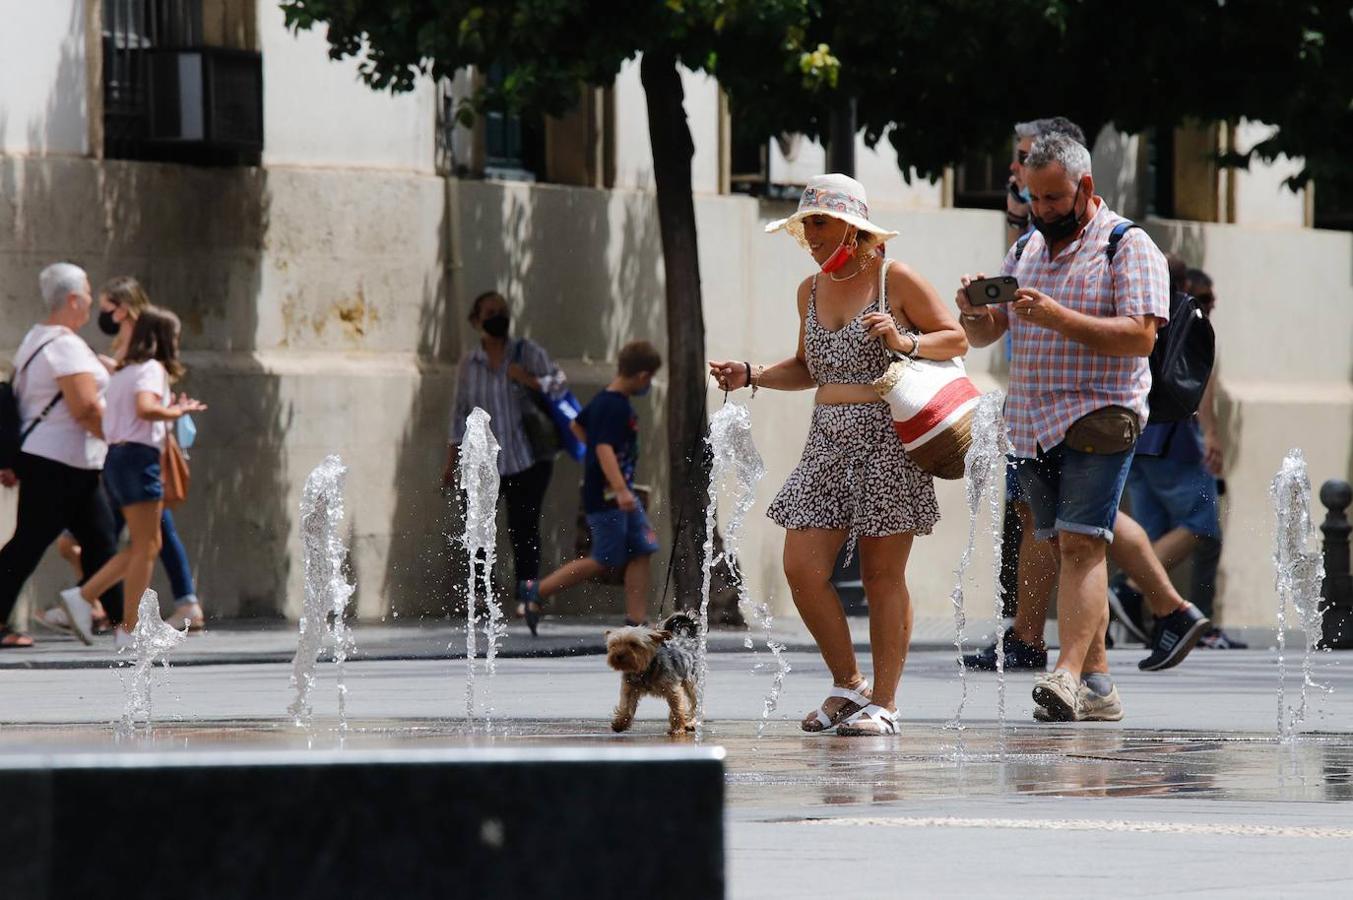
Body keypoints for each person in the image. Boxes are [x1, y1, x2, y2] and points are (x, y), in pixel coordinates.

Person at [955, 134, 1206, 723]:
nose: (1041, 209)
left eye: (1052, 197)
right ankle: (1098, 682)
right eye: (1032, 196)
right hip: (1033, 421)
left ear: (1085, 188)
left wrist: (1057, 317)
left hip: (1103, 412)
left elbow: (1141, 336)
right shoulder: (1027, 249)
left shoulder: (1127, 245)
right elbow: (989, 335)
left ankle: (1067, 674)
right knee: (1063, 539)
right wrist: (975, 314)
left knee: (1081, 541)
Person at [712, 173, 968, 737]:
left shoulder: (894, 279)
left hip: (887, 440)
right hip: (825, 440)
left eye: (820, 222)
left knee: (882, 576)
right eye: (805, 225)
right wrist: (751, 373)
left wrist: (906, 342)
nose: (811, 234)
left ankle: (887, 701)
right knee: (801, 569)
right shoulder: (809, 290)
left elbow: (956, 338)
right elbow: (806, 368)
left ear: (853, 227)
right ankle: (847, 682)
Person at [46, 276, 206, 633]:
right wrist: (176, 413)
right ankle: (116, 618)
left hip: (119, 458)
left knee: (146, 544)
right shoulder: (150, 369)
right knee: (146, 544)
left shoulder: (125, 371)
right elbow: (146, 408)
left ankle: (101, 606)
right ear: (164, 338)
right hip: (138, 459)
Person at [1116, 266, 1244, 649]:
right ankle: (1133, 589)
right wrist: (1211, 435)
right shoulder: (1186, 319)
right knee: (1203, 526)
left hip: (1137, 439)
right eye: (1203, 298)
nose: (1207, 306)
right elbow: (1198, 387)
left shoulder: (1136, 315)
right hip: (1176, 440)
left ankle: (1163, 624)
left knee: (1153, 534)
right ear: (1184, 289)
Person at [0, 263, 122, 648]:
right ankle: (122, 621)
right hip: (58, 464)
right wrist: (122, 438)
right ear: (72, 299)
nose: (90, 301)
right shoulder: (65, 346)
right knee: (29, 543)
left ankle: (123, 621)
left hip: (69, 463)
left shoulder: (39, 338)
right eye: (87, 294)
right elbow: (85, 408)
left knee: (101, 540)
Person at [516, 341, 663, 634]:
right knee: (604, 558)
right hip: (610, 496)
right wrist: (619, 488)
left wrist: (598, 456)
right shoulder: (615, 407)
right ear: (643, 376)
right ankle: (536, 590)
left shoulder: (602, 400)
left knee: (642, 548)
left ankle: (636, 620)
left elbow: (576, 427)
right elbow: (605, 449)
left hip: (617, 493)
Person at [443, 291, 563, 619]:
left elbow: (559, 385)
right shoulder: (469, 364)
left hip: (528, 460)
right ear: (476, 320)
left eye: (502, 311)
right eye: (490, 312)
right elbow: (459, 414)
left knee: (524, 530)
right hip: (483, 464)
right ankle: (481, 595)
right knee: (479, 529)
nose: (498, 316)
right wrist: (451, 462)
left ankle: (527, 596)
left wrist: (529, 379)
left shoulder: (527, 353)